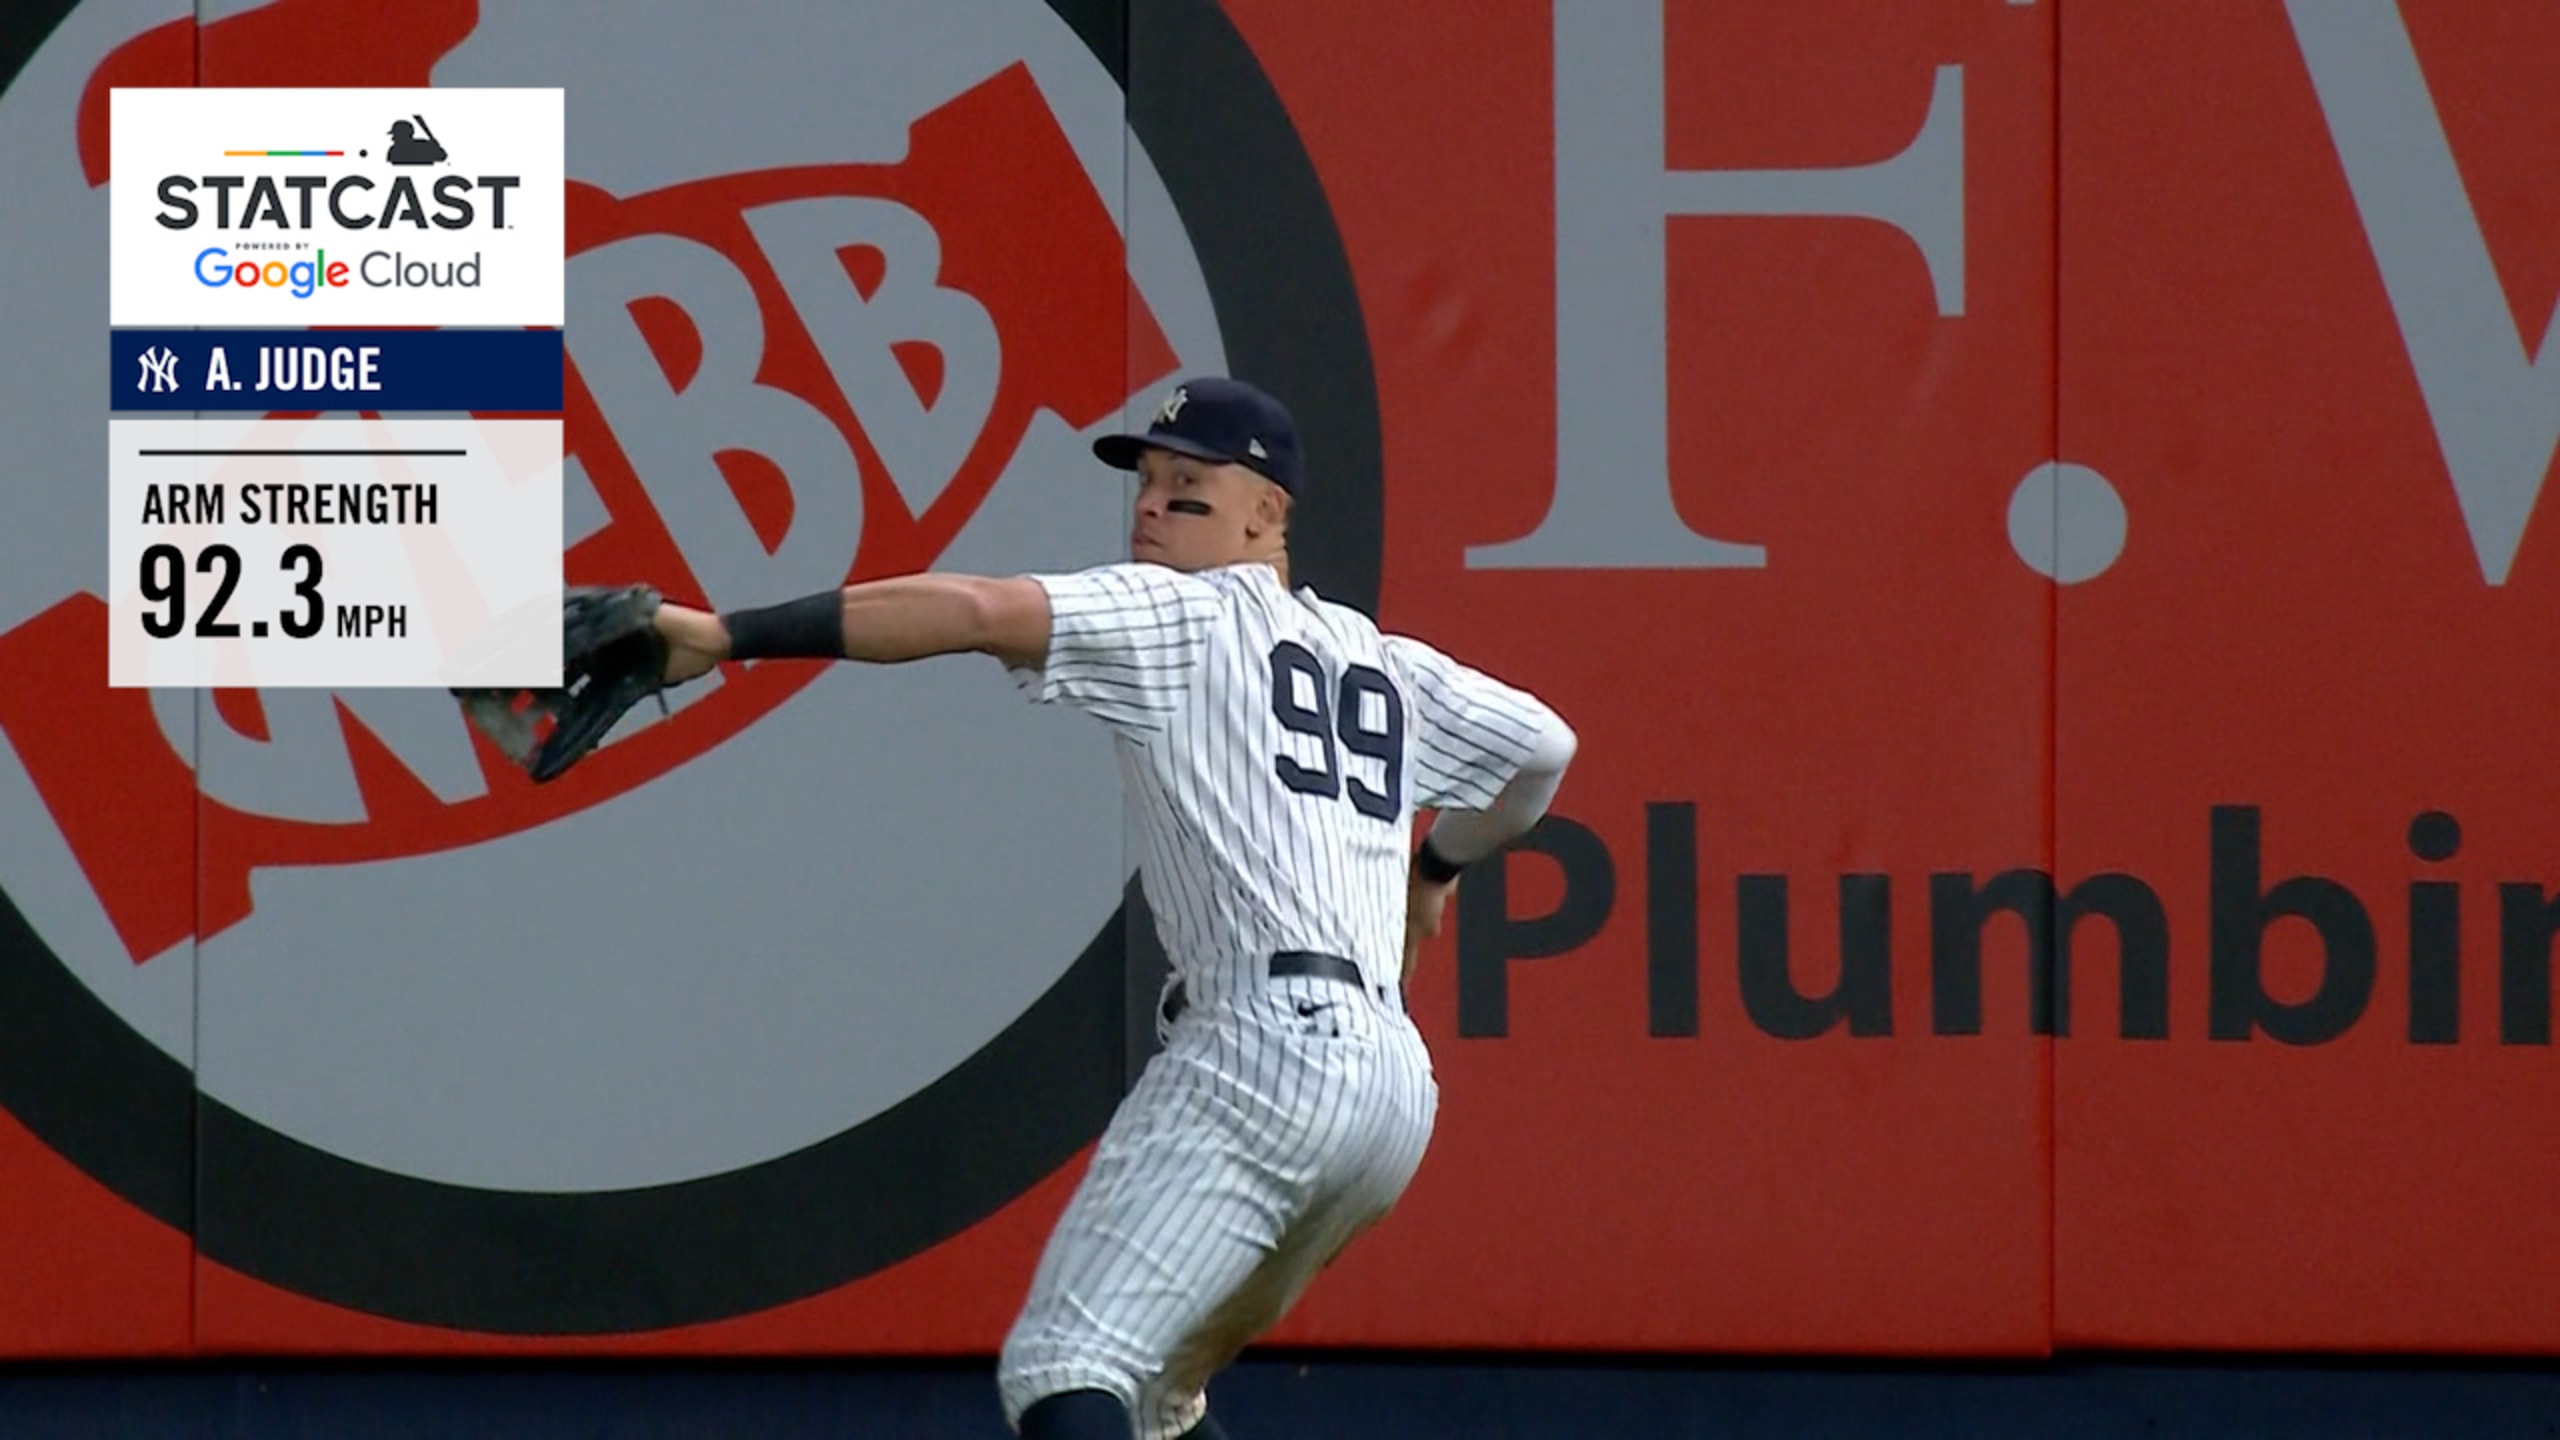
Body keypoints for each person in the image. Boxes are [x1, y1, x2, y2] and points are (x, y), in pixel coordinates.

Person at [646, 376, 1577, 1439]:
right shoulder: (1381, 662)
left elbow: (975, 611)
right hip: (1392, 1096)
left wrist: (726, 636)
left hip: (1261, 1049)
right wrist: (1438, 870)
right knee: (1161, 1401)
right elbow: (1543, 748)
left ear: (1267, 514)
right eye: (1145, 484)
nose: (1150, 508)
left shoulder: (1182, 614)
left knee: (1064, 1365)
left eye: (1188, 490)